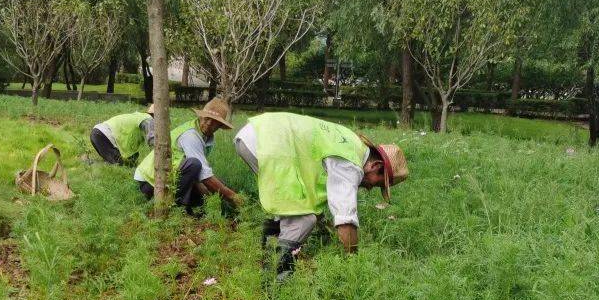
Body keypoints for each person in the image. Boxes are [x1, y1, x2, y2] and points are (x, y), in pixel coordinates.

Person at [233, 112, 407, 280]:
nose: (369, 188)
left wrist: (325, 229)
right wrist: (353, 265)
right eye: (377, 183)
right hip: (269, 143)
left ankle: (266, 257)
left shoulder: (351, 144)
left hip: (258, 134)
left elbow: (316, 194)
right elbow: (346, 220)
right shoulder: (350, 165)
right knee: (303, 220)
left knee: (291, 208)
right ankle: (275, 281)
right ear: (375, 165)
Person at [134, 97, 241, 213]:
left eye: (214, 121)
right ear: (201, 116)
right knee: (195, 165)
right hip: (151, 182)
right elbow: (204, 175)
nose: (209, 123)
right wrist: (233, 198)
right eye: (206, 118)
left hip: (168, 177)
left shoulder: (206, 137)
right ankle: (175, 208)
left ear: (220, 125)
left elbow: (199, 174)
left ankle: (188, 204)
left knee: (216, 186)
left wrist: (211, 192)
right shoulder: (191, 135)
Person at [90, 104, 155, 165]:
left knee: (129, 161)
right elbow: (152, 140)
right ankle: (90, 163)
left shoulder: (140, 116)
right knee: (117, 164)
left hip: (99, 133)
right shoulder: (148, 120)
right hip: (103, 136)